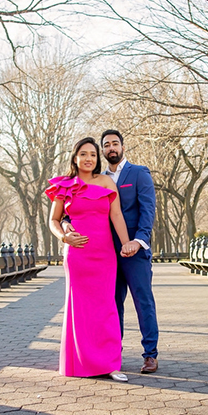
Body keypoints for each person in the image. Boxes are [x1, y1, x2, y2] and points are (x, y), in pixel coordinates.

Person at [62, 130, 160, 374]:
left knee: (143, 301)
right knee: (110, 306)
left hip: (133, 250)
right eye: (106, 145)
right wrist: (65, 227)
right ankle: (112, 356)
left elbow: (147, 212)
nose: (111, 148)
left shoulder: (138, 173)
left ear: (123, 147)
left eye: (115, 143)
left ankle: (150, 355)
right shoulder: (95, 178)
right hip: (104, 254)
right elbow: (68, 212)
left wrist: (137, 241)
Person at [46, 137, 136, 382]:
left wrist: (126, 242)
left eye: (93, 155)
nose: (89, 159)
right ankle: (79, 364)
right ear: (75, 157)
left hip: (105, 254)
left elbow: (116, 215)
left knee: (107, 308)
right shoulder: (64, 185)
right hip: (77, 255)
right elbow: (53, 220)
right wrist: (64, 238)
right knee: (80, 310)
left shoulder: (106, 181)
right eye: (84, 154)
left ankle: (110, 364)